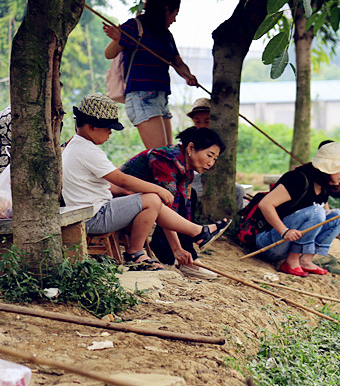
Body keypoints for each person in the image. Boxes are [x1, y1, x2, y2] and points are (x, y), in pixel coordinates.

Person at [62, 94, 229, 271]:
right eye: (108, 128)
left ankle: (198, 232)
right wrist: (157, 190)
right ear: (92, 126)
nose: (111, 133)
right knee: (152, 199)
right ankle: (135, 252)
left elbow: (112, 185)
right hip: (94, 215)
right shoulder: (88, 151)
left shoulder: (77, 145)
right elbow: (122, 180)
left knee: (152, 200)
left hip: (97, 209)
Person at [121, 126, 227, 279]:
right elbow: (166, 206)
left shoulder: (186, 166)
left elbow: (179, 207)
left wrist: (183, 248)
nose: (211, 163)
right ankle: (183, 247)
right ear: (191, 147)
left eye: (215, 159)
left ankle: (190, 256)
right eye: (209, 155)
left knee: (189, 197)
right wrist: (176, 248)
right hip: (121, 201)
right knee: (172, 198)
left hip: (145, 203)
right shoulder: (166, 159)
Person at [103, 0, 198, 150]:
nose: (175, 19)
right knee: (162, 155)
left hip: (161, 97)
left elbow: (178, 62)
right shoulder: (136, 26)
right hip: (141, 96)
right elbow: (109, 54)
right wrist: (118, 38)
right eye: (175, 14)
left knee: (168, 154)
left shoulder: (166, 35)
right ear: (166, 9)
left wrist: (188, 75)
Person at [255, 142, 340, 277]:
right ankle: (291, 262)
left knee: (338, 216)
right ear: (329, 169)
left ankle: (305, 260)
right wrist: (284, 231)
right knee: (316, 212)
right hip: (270, 243)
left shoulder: (323, 186)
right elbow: (265, 204)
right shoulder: (298, 179)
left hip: (288, 244)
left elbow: (328, 218)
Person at [185, 97, 246, 211]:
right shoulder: (188, 137)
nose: (202, 125)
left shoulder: (219, 138)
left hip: (216, 180)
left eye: (206, 121)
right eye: (197, 121)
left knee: (239, 190)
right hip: (193, 178)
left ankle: (236, 223)